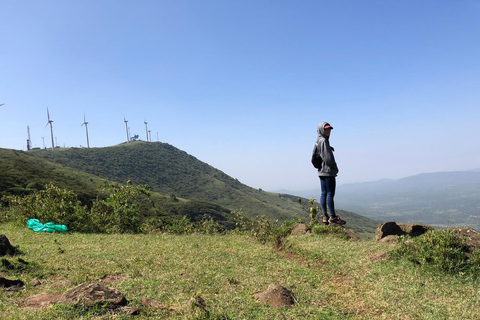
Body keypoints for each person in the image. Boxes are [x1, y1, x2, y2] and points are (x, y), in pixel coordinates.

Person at [311, 122, 346, 225]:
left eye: (329, 129)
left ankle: (325, 216)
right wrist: (335, 167)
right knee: (330, 193)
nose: (328, 131)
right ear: (321, 130)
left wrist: (329, 149)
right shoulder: (323, 141)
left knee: (323, 193)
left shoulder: (318, 140)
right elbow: (328, 159)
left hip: (321, 172)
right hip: (328, 171)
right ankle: (333, 216)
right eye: (326, 129)